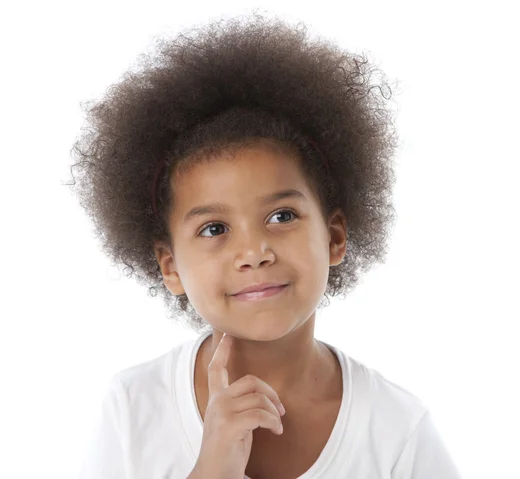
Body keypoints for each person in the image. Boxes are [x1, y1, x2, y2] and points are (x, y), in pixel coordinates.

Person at [70, 11, 462, 479]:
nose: (254, 252)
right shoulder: (133, 409)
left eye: (282, 216)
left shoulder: (397, 430)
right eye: (214, 228)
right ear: (170, 266)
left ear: (334, 237)